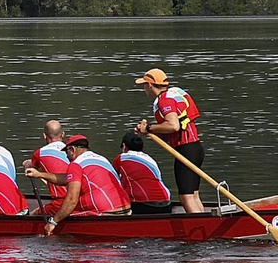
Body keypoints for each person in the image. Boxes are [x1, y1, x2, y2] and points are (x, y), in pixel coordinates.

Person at [134, 67, 205, 213]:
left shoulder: (164, 100)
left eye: (144, 86)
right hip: (195, 148)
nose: (144, 90)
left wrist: (149, 128)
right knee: (193, 195)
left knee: (186, 197)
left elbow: (173, 125)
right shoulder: (173, 94)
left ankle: (200, 229)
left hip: (186, 149)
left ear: (150, 85)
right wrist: (150, 131)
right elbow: (171, 130)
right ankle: (204, 222)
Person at [40, 134, 130, 234]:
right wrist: (39, 174)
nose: (66, 156)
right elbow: (67, 178)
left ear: (72, 149)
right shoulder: (101, 158)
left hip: (105, 213)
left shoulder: (76, 164)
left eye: (67, 152)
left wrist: (53, 222)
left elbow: (71, 200)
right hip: (126, 210)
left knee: (61, 213)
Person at [117, 132, 173, 214]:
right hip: (166, 204)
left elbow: (114, 181)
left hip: (143, 205)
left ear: (124, 146)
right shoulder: (150, 159)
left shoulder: (121, 158)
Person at [22, 119, 71, 213]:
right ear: (63, 134)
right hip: (78, 198)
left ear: (44, 136)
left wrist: (26, 163)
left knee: (32, 214)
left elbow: (29, 167)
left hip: (61, 203)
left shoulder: (40, 153)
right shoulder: (72, 151)